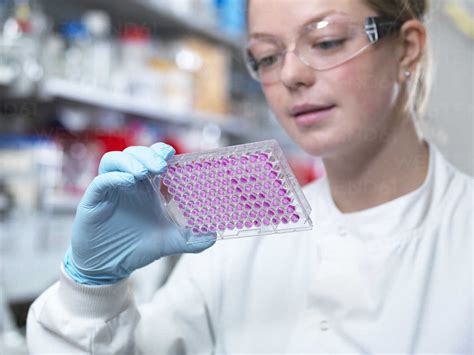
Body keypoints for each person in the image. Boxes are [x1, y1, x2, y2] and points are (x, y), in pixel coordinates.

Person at [27, 0, 473, 353]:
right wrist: (91, 291)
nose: (291, 75)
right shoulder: (241, 238)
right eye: (268, 56)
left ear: (408, 47)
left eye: (327, 41)